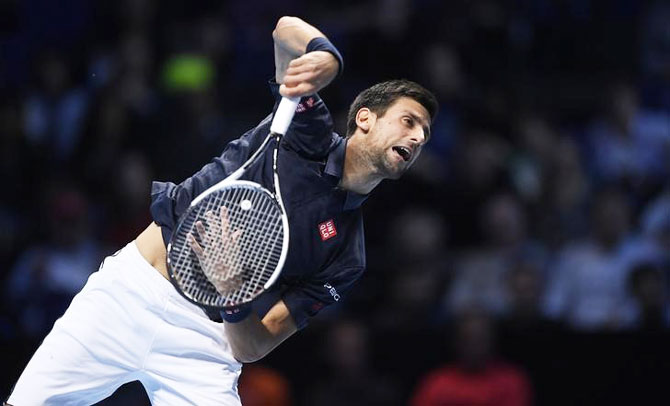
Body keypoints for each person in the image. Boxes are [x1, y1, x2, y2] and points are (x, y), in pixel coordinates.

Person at [6, 16, 437, 405]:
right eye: (408, 120)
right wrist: (327, 57)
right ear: (364, 118)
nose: (417, 137)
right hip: (130, 292)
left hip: (205, 341)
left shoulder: (347, 255)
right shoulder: (305, 131)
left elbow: (253, 346)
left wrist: (232, 294)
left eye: (425, 132)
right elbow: (285, 29)